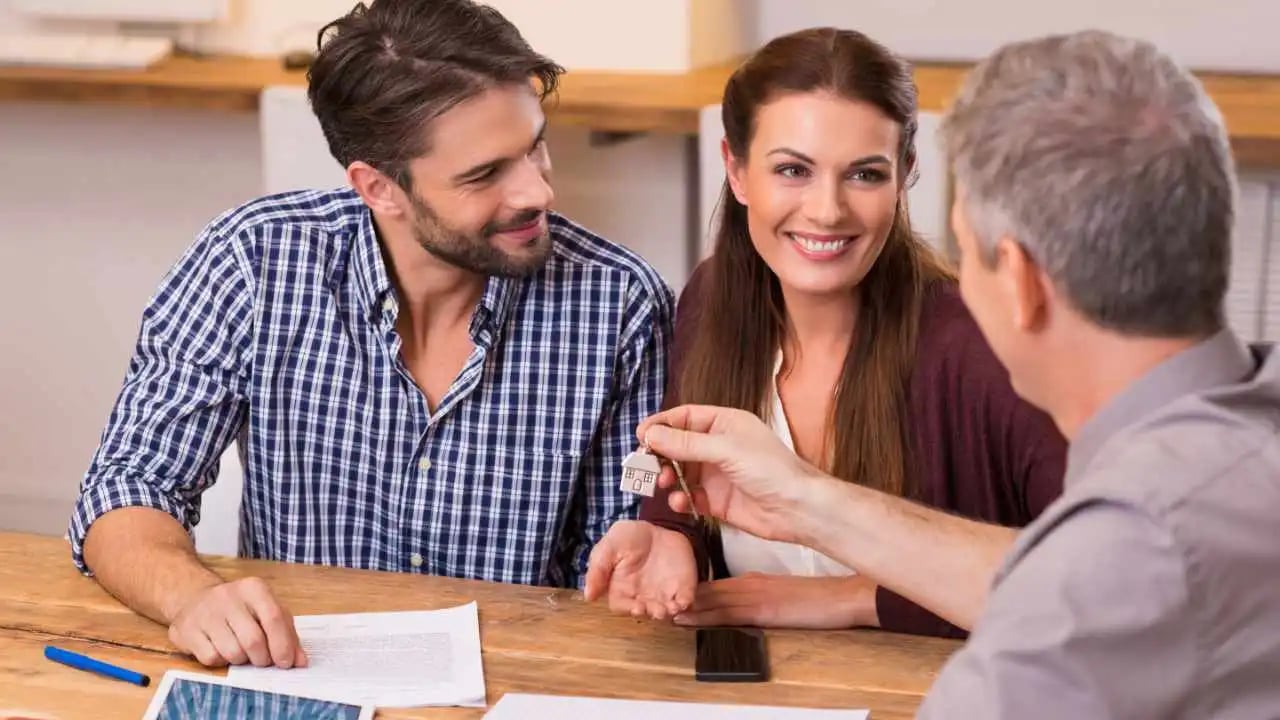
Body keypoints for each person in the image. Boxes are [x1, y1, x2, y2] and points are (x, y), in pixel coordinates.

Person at [617, 30, 1280, 718]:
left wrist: (843, 581)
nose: (826, 208)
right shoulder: (1190, 494)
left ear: (1018, 281)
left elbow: (1087, 578)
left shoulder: (1122, 551)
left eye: (969, 250)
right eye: (793, 170)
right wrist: (783, 506)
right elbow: (1070, 572)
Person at [68, 0, 672, 670]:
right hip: (298, 678)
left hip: (524, 681)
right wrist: (191, 598)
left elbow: (623, 557)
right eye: (485, 174)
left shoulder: (620, 305)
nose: (537, 192)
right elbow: (127, 488)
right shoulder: (253, 262)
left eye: (535, 147)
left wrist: (654, 552)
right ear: (379, 188)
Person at [584, 28, 1065, 639]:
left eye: (865, 175)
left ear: (906, 174)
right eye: (793, 170)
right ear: (735, 170)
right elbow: (684, 488)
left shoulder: (982, 345)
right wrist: (670, 537)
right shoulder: (710, 303)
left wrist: (853, 599)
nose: (827, 211)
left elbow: (1099, 585)